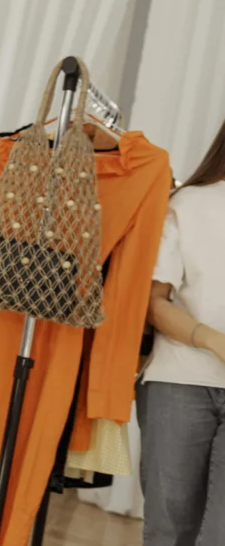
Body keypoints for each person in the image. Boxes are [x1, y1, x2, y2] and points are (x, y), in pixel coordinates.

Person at [140, 117, 225, 546]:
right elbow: (154, 303)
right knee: (169, 530)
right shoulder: (190, 204)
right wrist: (213, 340)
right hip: (180, 381)